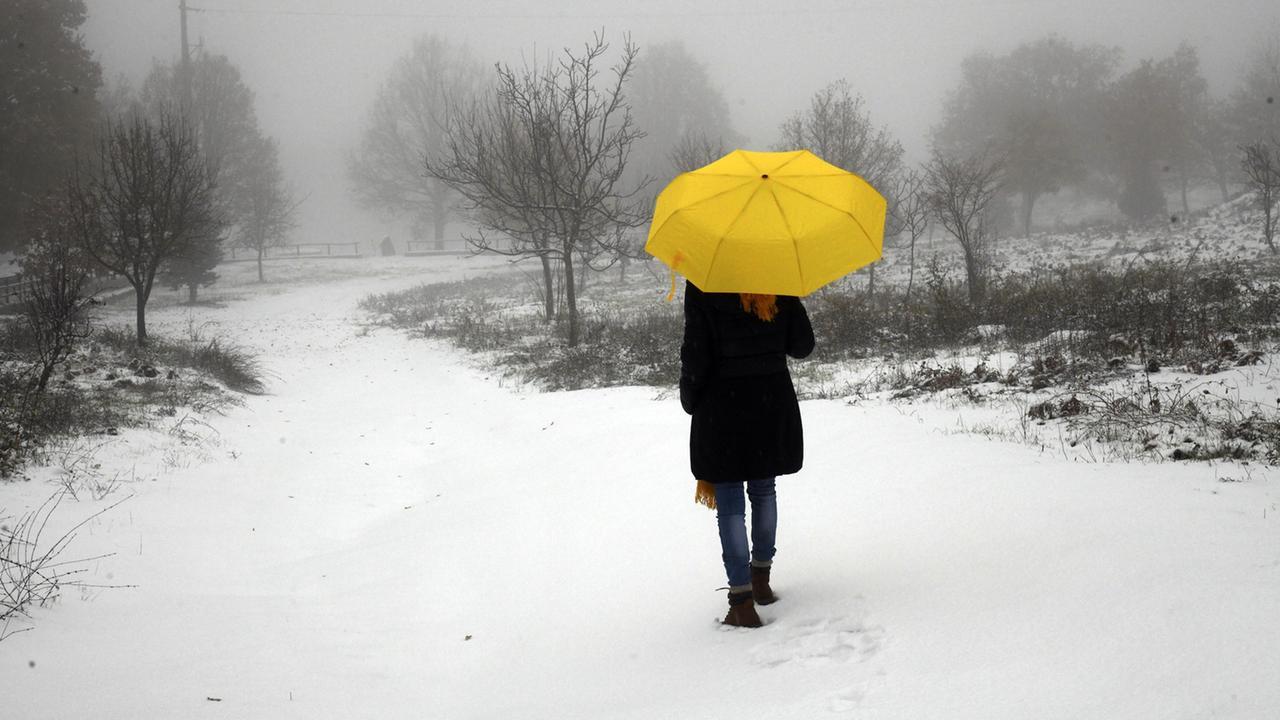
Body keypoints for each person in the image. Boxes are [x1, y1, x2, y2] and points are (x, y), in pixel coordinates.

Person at [679, 280, 815, 627]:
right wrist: (789, 298)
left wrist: (690, 397)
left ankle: (741, 600)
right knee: (764, 491)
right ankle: (761, 581)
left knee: (729, 504)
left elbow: (697, 351)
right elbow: (802, 345)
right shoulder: (773, 277)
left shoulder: (704, 284)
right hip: (769, 404)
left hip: (722, 407)